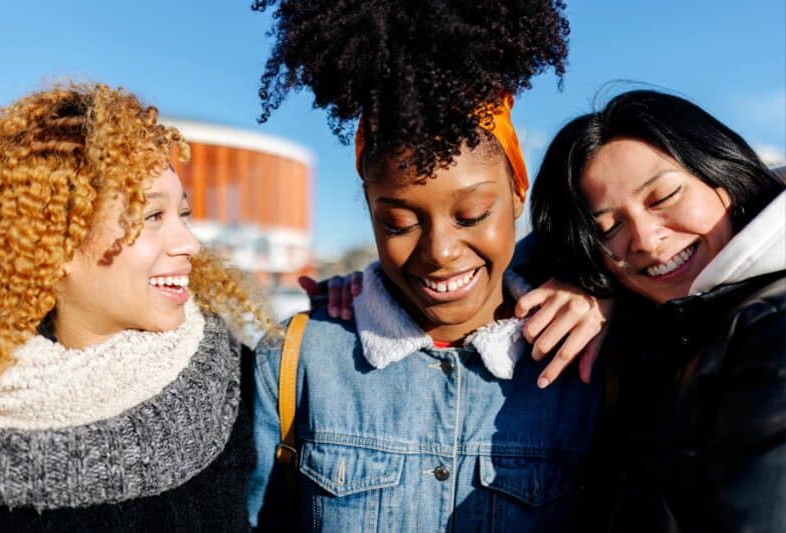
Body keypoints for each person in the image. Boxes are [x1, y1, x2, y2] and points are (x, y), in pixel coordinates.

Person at [248, 1, 604, 531]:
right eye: (398, 223)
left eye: (473, 214)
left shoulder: (588, 360)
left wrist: (610, 300)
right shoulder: (297, 362)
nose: (439, 251)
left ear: (517, 193)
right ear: (370, 211)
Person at [0, 82, 275, 531]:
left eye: (183, 213)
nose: (191, 244)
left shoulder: (245, 384)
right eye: (151, 217)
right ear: (53, 245)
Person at [529, 89, 786, 532]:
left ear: (722, 174)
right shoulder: (676, 325)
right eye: (609, 229)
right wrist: (592, 284)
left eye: (663, 197)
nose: (646, 240)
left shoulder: (771, 326)